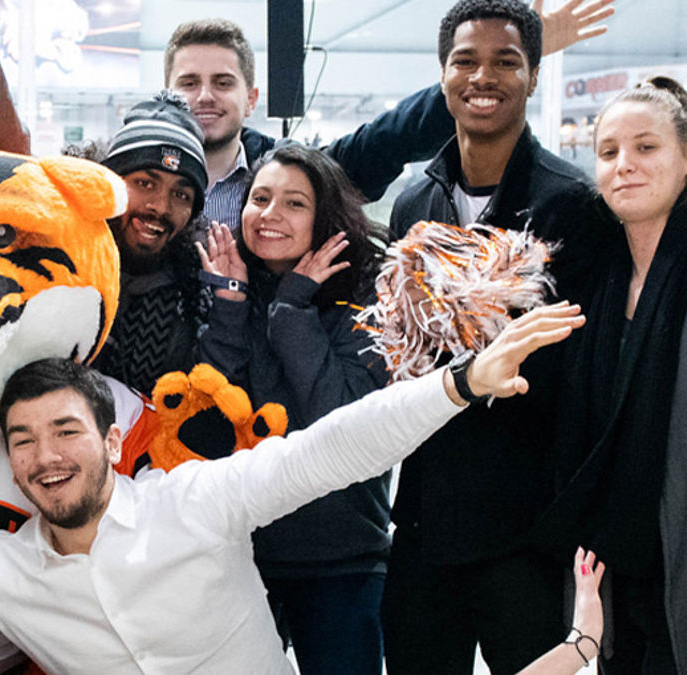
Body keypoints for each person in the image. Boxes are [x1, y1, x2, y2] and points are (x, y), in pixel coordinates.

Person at [0, 301, 584, 674]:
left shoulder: (195, 501)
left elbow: (334, 448)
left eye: (65, 431)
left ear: (114, 441)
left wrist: (459, 383)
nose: (46, 456)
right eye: (23, 441)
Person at [378, 2, 609, 672]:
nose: (484, 76)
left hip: (526, 534)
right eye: (466, 61)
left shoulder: (574, 204)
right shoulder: (413, 203)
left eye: (506, 61)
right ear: (444, 75)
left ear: (533, 76)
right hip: (424, 524)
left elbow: (588, 372)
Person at [163, 2, 614, 230]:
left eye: (223, 82)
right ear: (166, 93)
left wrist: (482, 78)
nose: (205, 96)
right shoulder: (125, 180)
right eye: (188, 83)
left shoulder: (290, 174)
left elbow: (389, 138)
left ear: (252, 98)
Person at [196, 144, 387, 674]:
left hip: (341, 560)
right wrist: (231, 308)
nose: (270, 214)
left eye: (294, 203)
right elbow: (211, 422)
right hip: (243, 557)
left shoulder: (366, 299)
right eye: (260, 198)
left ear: (325, 218)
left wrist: (292, 308)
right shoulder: (233, 286)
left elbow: (345, 422)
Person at [543, 76, 687, 673]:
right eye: (608, 152)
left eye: (646, 148)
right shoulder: (595, 284)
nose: (624, 165)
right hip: (617, 571)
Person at [92, 91, 208, 394]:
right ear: (110, 184)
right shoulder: (62, 269)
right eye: (144, 183)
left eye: (181, 195)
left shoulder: (197, 295)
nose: (161, 207)